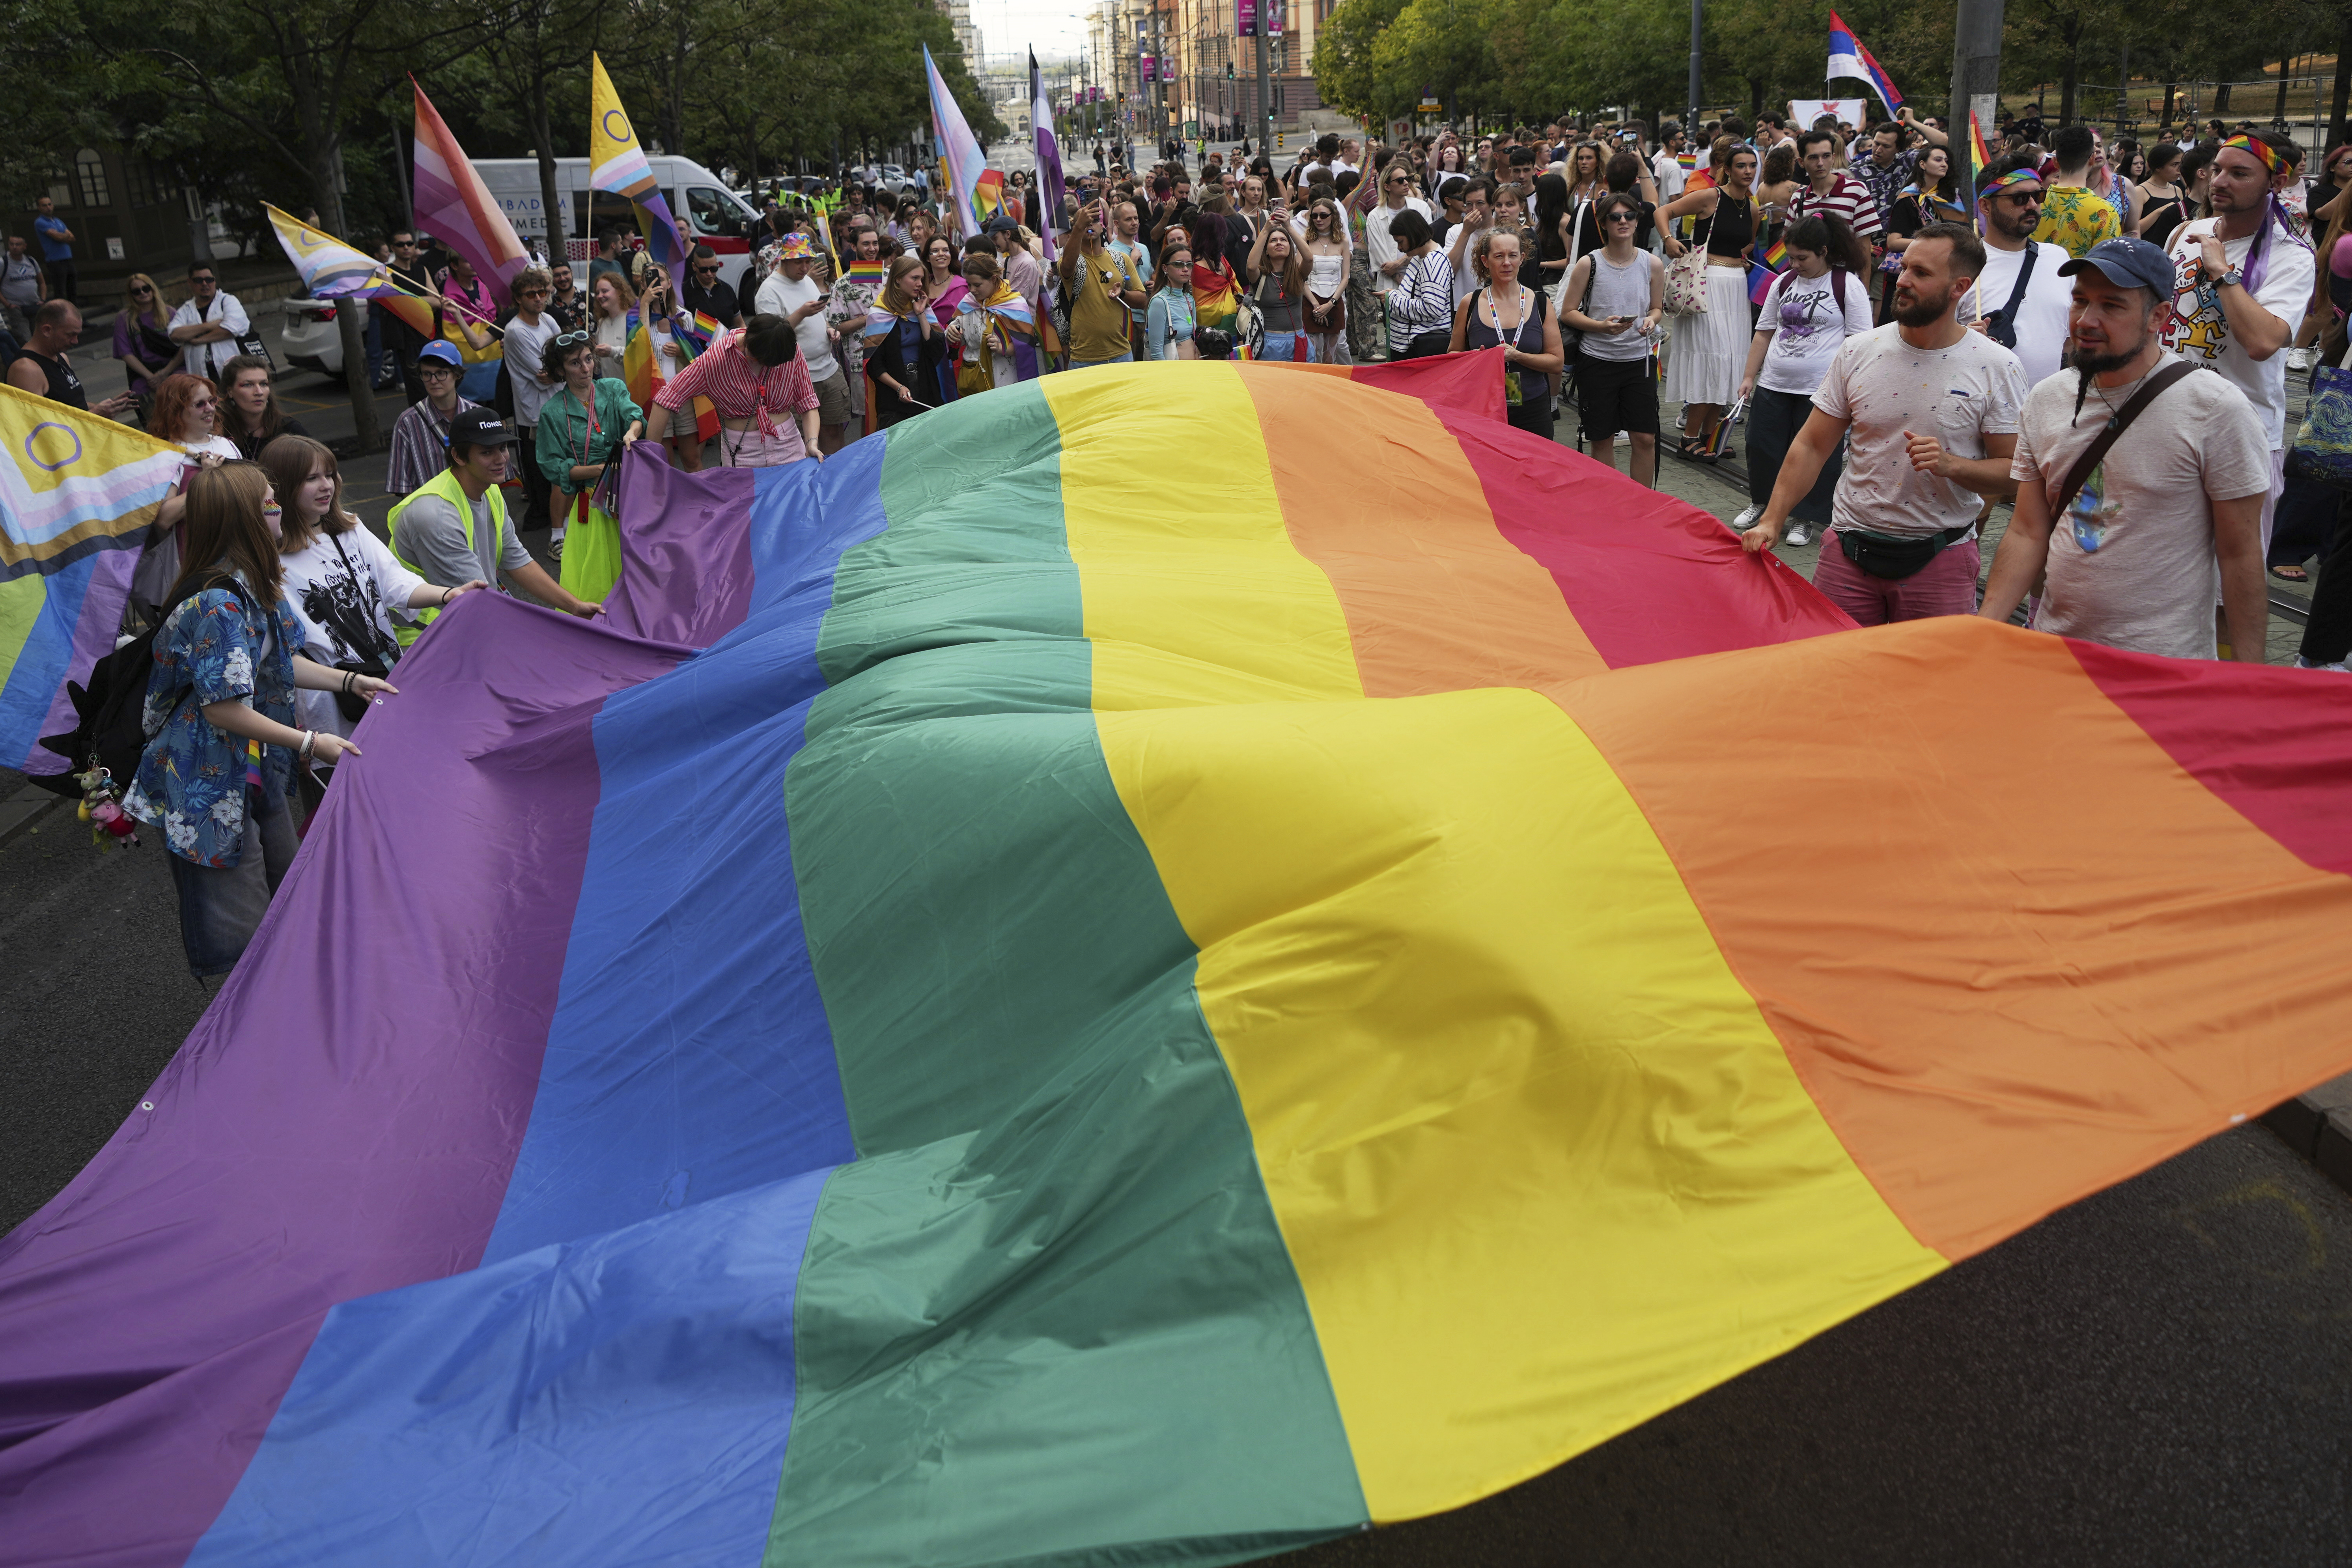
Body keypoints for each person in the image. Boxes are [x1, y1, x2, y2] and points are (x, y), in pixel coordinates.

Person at [121, 462, 395, 977]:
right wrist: (311, 741)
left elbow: (279, 662)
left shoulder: (255, 583)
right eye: (271, 502)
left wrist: (349, 681)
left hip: (253, 769)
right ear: (245, 518)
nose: (281, 509)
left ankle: (285, 1020)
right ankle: (238, 1039)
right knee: (239, 941)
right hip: (205, 782)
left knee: (290, 904)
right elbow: (222, 707)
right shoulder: (218, 603)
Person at [1978, 238, 2270, 661]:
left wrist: (2253, 680)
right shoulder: (2045, 399)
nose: (2086, 320)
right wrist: (1986, 628)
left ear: (2158, 317)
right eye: (2080, 301)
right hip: (2055, 654)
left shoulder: (2215, 409)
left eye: (2112, 306)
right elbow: (2027, 530)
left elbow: (2240, 553)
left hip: (2162, 667)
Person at [1744, 223, 2027, 628]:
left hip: (1939, 560)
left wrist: (1952, 466)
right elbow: (1812, 445)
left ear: (1959, 287)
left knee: (1928, 686)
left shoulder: (1997, 366)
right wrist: (1773, 518)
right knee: (1837, 678)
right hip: (1847, 554)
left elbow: (2013, 473)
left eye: (1922, 273)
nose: (1903, 281)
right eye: (1905, 267)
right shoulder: (1859, 350)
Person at [262, 434, 483, 742]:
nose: (327, 485)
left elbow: (396, 583)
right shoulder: (270, 559)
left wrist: (448, 595)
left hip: (382, 677)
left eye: (329, 474)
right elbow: (279, 650)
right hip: (328, 703)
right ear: (284, 486)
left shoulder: (350, 527)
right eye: (312, 478)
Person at [2158, 133, 2315, 554]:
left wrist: (2222, 272)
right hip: (2164, 425)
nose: (2220, 181)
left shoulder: (2293, 257)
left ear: (2275, 184)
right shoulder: (2188, 231)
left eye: (2239, 173)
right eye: (2218, 170)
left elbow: (2263, 341)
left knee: (2230, 589)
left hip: (2240, 440)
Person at [1734, 215, 1875, 538]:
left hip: (1820, 390)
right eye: (1791, 257)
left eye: (1802, 258)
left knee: (1815, 455)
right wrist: (1748, 376)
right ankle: (1764, 503)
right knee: (1761, 445)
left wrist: (1853, 390)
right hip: (1774, 382)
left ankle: (1804, 516)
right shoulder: (1783, 283)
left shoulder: (1846, 284)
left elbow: (1860, 343)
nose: (1795, 264)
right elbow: (1764, 332)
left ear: (1824, 252)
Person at [1655, 139, 1762, 457]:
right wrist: (1668, 240)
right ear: (1726, 170)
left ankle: (1710, 436)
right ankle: (1690, 437)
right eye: (1741, 166)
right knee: (1711, 356)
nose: (1747, 171)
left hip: (1735, 288)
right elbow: (1663, 211)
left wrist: (1740, 261)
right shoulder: (1710, 197)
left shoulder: (1754, 208)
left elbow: (1748, 246)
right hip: (1706, 285)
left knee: (1730, 360)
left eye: (1752, 166)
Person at [1561, 193, 1665, 477]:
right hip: (1597, 361)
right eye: (1615, 217)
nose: (1623, 221)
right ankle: (1610, 504)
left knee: (1645, 438)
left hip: (1639, 361)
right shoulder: (1589, 263)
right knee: (1601, 437)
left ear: (1637, 221)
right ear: (1603, 224)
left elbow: (1657, 309)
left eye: (1629, 216)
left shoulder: (1652, 264)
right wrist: (1600, 326)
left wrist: (1650, 321)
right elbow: (1568, 312)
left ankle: (1641, 507)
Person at [532, 333, 641, 597]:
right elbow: (555, 468)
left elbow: (635, 416)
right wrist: (603, 469)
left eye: (589, 359)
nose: (586, 368)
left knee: (638, 573)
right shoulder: (553, 412)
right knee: (596, 582)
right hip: (590, 502)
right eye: (575, 363)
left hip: (628, 495)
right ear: (560, 370)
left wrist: (632, 433)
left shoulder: (613, 388)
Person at [1957, 157, 2076, 390]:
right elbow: (1929, 345)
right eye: (2019, 198)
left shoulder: (2059, 258)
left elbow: (2070, 341)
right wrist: (1962, 340)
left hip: (2046, 411)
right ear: (1986, 207)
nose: (2032, 205)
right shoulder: (1962, 265)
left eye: (2038, 196)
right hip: (1981, 412)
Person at [648, 314, 824, 466]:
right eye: (754, 358)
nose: (759, 365)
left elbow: (807, 402)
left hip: (789, 445)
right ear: (747, 337)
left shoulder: (788, 350)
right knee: (746, 505)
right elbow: (667, 398)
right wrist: (649, 457)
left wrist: (812, 444)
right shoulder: (716, 358)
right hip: (742, 452)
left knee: (795, 503)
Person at [1453, 226, 1566, 442]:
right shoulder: (1471, 303)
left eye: (1513, 255)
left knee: (1536, 472)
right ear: (1486, 261)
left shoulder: (1540, 303)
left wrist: (1518, 356)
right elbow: (1453, 355)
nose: (1507, 263)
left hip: (1533, 410)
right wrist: (1473, 359)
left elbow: (1557, 363)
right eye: (1499, 256)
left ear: (1522, 259)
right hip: (1483, 409)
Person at [756, 233, 853, 454]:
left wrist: (828, 330)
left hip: (828, 369)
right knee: (802, 440)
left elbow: (820, 317)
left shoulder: (807, 280)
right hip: (795, 376)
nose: (805, 267)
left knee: (834, 431)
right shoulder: (769, 291)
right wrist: (801, 313)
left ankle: (833, 480)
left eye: (808, 261)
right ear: (784, 260)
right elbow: (770, 337)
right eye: (798, 262)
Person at [501, 267, 561, 532]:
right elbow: (543, 374)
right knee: (539, 474)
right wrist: (561, 371)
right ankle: (543, 524)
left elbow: (564, 351)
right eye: (531, 294)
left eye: (542, 292)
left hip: (558, 405)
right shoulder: (515, 331)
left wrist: (558, 372)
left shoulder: (547, 319)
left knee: (558, 466)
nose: (538, 298)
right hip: (534, 414)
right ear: (518, 299)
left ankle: (556, 517)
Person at [1879, 146, 1967, 319]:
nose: (1944, 164)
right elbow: (1894, 242)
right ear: (1923, 165)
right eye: (1938, 160)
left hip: (1942, 273)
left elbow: (1962, 235)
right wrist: (1932, 244)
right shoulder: (1908, 198)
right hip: (1909, 274)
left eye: (1946, 161)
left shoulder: (1952, 199)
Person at [7, 300, 136, 418]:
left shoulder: (61, 357)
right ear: (47, 331)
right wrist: (94, 415)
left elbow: (72, 404)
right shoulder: (26, 369)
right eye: (70, 335)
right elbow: (38, 425)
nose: (76, 341)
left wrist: (108, 407)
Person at [1061, 198, 1147, 368]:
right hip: (1084, 359)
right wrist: (1079, 226)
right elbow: (1068, 265)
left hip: (1121, 354)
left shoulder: (1121, 259)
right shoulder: (1072, 261)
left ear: (1102, 226)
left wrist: (1122, 294)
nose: (1090, 225)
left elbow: (1143, 300)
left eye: (1094, 221)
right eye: (1084, 222)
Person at [384, 341, 476, 498]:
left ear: (457, 374)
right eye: (427, 374)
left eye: (441, 373)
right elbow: (402, 485)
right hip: (432, 514)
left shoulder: (477, 415)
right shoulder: (408, 423)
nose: (433, 381)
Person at [861, 255, 943, 429]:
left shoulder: (923, 310)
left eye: (922, 279)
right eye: (915, 278)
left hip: (925, 388)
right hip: (893, 397)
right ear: (898, 280)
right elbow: (874, 366)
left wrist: (921, 314)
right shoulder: (879, 315)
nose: (920, 283)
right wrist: (899, 388)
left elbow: (936, 351)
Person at [1366, 159, 1434, 357]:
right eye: (1401, 180)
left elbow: (1426, 243)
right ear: (1387, 186)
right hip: (1391, 282)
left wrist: (1403, 265)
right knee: (1395, 331)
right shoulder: (1375, 216)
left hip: (1422, 277)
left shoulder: (1420, 207)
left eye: (1408, 179)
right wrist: (1401, 280)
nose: (1407, 183)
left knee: (1420, 327)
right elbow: (1381, 259)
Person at [2032, 125, 2122, 259]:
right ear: (2092, 159)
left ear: (2055, 162)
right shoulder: (2104, 213)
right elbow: (2108, 266)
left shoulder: (2033, 203)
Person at [953, 252, 1042, 384]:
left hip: (1005, 380)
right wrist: (952, 333)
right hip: (975, 380)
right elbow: (960, 337)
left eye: (977, 285)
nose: (972, 290)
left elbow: (1026, 345)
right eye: (969, 285)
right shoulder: (969, 303)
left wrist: (1002, 348)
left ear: (994, 279)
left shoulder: (1014, 305)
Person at [1786, 129, 1884, 243]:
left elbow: (1864, 249)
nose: (1820, 163)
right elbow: (1789, 245)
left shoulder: (1857, 192)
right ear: (1801, 162)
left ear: (1833, 158)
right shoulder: (1798, 198)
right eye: (1813, 157)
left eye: (1826, 156)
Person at [1383, 209, 1454, 359]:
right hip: (1413, 345)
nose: (1399, 248)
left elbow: (1432, 309)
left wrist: (1393, 300)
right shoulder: (1420, 257)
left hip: (1419, 349)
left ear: (1413, 235)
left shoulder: (1432, 261)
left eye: (1400, 242)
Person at [380, 233, 441, 404]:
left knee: (435, 384)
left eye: (409, 243)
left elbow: (438, 301)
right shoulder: (386, 270)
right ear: (393, 248)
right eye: (401, 245)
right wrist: (421, 300)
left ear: (415, 246)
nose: (406, 247)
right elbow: (394, 302)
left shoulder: (421, 270)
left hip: (428, 334)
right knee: (418, 390)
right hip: (406, 339)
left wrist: (409, 300)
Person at [112, 273, 183, 416]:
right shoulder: (124, 319)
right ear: (131, 295)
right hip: (144, 374)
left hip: (174, 369)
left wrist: (164, 373)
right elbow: (126, 353)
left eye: (146, 288)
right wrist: (151, 377)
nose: (143, 293)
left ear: (153, 289)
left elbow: (184, 346)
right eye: (137, 291)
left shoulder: (170, 313)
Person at [215, 355, 309, 461]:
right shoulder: (220, 432)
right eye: (248, 385)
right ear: (230, 391)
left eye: (264, 384)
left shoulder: (290, 430)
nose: (259, 392)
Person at [168, 263, 250, 382]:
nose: (205, 284)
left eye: (209, 280)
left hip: (233, 374)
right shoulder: (186, 310)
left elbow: (230, 330)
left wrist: (197, 340)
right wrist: (211, 325)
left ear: (214, 281)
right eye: (199, 280)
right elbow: (175, 335)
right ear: (190, 282)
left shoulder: (228, 301)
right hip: (201, 379)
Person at [1245, 217, 1311, 362]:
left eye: (1284, 240)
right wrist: (1266, 230)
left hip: (1298, 341)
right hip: (1269, 344)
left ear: (1290, 246)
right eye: (1273, 241)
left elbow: (1309, 259)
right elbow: (1250, 266)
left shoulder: (1298, 273)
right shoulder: (1260, 275)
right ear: (1266, 250)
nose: (1279, 243)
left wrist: (1289, 226)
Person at [1107, 198, 1154, 358]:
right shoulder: (1111, 252)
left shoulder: (1144, 248)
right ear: (1117, 224)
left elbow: (1149, 273)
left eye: (1136, 218)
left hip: (1147, 317)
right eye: (1128, 219)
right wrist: (1131, 262)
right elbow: (1113, 288)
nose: (1134, 223)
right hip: (1127, 320)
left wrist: (1154, 284)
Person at [1142, 239, 1199, 360]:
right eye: (1179, 264)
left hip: (1193, 369)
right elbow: (1156, 353)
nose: (1185, 269)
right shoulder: (1159, 302)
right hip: (1174, 373)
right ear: (1165, 268)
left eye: (1189, 265)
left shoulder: (1189, 299)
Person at [683, 244, 744, 330]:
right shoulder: (684, 292)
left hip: (728, 342)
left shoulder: (727, 289)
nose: (709, 274)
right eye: (704, 270)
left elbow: (740, 324)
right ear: (694, 267)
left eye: (714, 269)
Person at [32, 195, 75, 307]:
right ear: (39, 208)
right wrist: (64, 236)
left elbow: (73, 238)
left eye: (50, 204)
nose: (48, 207)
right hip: (55, 260)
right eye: (44, 205)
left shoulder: (58, 221)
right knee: (60, 291)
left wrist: (62, 236)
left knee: (72, 290)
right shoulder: (40, 222)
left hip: (68, 258)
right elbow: (58, 238)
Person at [1, 232, 42, 341]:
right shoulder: (3, 263)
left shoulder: (31, 261)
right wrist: (8, 304)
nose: (14, 247)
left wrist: (43, 299)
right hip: (16, 308)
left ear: (25, 246)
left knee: (39, 338)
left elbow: (42, 282)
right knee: (25, 338)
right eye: (12, 244)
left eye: (18, 244)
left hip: (34, 305)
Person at [546, 260, 587, 333]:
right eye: (557, 275)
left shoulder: (589, 298)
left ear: (572, 272)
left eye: (565, 273)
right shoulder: (549, 306)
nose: (562, 278)